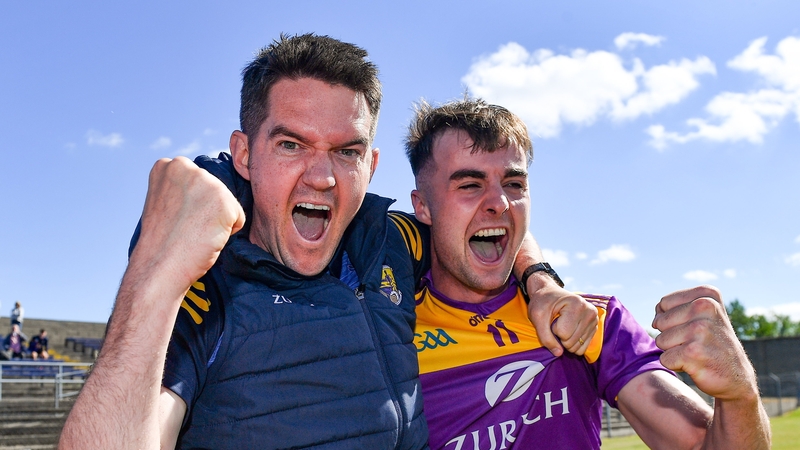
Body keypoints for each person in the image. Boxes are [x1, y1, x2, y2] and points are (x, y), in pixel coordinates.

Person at [59, 34, 592, 449]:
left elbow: (486, 222)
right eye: (291, 144)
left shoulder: (391, 241)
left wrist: (541, 281)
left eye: (346, 152)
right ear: (244, 154)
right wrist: (156, 272)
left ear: (371, 165)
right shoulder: (209, 278)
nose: (322, 177)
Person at [401, 98, 770, 449]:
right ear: (423, 207)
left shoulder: (591, 322)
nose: (500, 203)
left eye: (515, 184)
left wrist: (740, 394)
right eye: (470, 184)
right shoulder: (391, 336)